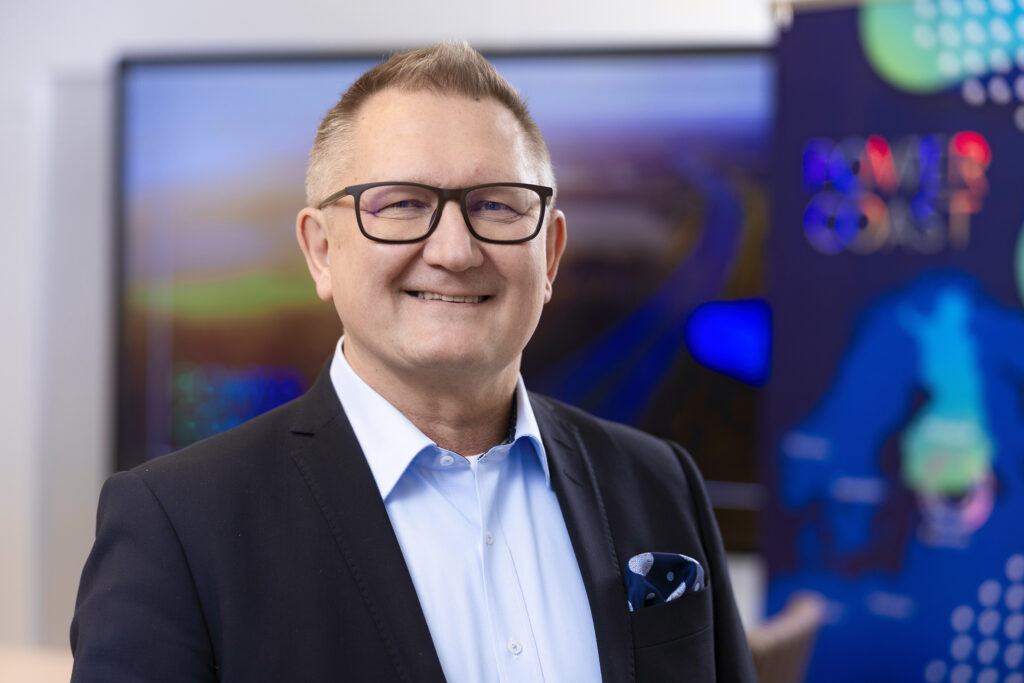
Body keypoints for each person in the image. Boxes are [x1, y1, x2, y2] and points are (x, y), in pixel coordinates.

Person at [70, 42, 756, 682]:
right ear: (321, 251)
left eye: (496, 205)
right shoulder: (178, 526)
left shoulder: (661, 483)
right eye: (402, 204)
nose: (454, 251)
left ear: (549, 254)